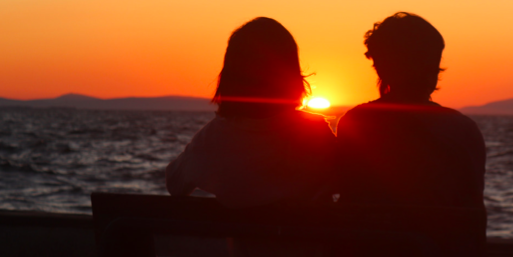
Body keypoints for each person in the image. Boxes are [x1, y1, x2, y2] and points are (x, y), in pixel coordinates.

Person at [165, 17, 335, 208]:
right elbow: (348, 184)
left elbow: (175, 184)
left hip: (245, 238)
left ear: (230, 76)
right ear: (291, 73)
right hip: (305, 237)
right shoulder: (315, 132)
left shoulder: (213, 138)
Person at [335, 12, 486, 208]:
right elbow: (471, 206)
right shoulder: (463, 129)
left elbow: (349, 196)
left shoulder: (356, 122)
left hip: (371, 236)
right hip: (436, 237)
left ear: (379, 66)